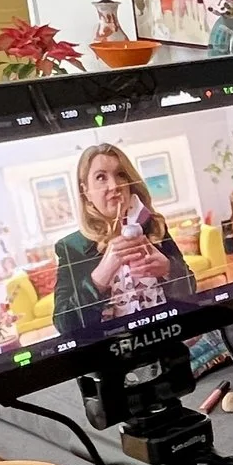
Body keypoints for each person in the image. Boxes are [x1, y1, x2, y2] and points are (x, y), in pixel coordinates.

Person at [51, 143, 191, 337]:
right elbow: (65, 324)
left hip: (168, 348)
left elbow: (191, 288)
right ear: (86, 192)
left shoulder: (153, 227)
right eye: (101, 177)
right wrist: (100, 277)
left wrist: (169, 270)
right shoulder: (71, 247)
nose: (115, 186)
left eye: (120, 174)